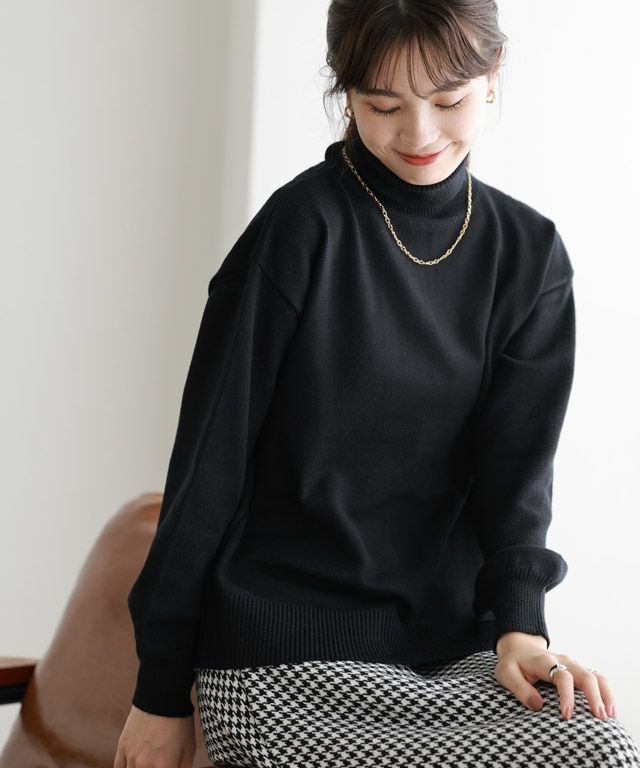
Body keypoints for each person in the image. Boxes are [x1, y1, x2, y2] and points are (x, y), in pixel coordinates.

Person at [114, 1, 640, 767]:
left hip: (449, 656)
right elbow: (207, 470)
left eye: (449, 101)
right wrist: (160, 692)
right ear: (346, 91)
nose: (419, 134)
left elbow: (517, 477)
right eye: (383, 105)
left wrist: (521, 628)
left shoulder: (529, 256)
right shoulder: (298, 231)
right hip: (279, 660)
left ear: (493, 76)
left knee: (599, 750)